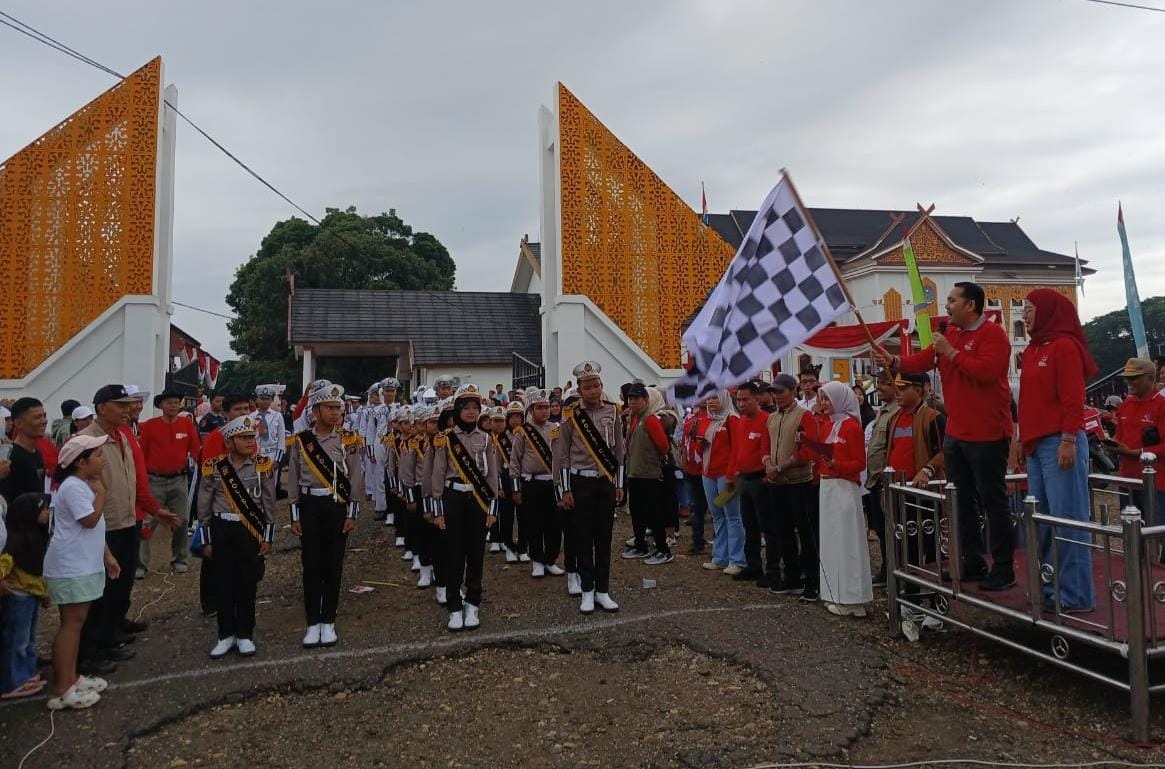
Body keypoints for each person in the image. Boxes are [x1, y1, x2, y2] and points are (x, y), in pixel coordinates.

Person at [874, 281, 1014, 590]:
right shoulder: (949, 335)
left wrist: (951, 353)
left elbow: (987, 373)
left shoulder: (993, 335)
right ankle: (973, 561)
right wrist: (895, 361)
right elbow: (923, 360)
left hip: (988, 431)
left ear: (971, 306)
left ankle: (1004, 568)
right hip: (957, 431)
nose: (946, 305)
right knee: (961, 500)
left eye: (951, 300)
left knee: (993, 500)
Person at [1018, 289, 1097, 612]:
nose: (1023, 315)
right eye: (1023, 309)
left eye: (1029, 309)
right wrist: (1021, 441)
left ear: (1049, 311)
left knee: (1068, 517)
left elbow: (1072, 398)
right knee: (1044, 519)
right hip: (1037, 444)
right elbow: (1026, 402)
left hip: (1059, 441)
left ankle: (1075, 593)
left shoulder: (1065, 347)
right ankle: (1050, 586)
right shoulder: (1034, 348)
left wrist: (1068, 439)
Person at [43, 434, 120, 710]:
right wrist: (102, 494)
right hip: (71, 565)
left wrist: (107, 556)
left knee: (76, 624)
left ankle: (72, 678)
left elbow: (94, 529)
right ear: (81, 462)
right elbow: (89, 520)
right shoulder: (74, 487)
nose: (102, 460)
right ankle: (62, 688)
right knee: (71, 626)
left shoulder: (81, 484)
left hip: (83, 563)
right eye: (97, 456)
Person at [288, 383, 363, 648]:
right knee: (311, 565)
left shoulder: (348, 439)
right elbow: (294, 480)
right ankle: (312, 622)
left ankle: (328, 620)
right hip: (309, 506)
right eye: (329, 408)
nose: (335, 413)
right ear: (316, 410)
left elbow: (354, 477)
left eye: (338, 408)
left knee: (333, 564)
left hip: (336, 506)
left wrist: (352, 512)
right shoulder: (301, 441)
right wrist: (294, 516)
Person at [197, 415, 276, 659]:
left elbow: (268, 502)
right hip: (222, 530)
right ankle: (225, 635)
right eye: (243, 438)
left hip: (248, 531)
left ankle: (244, 635)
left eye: (251, 437)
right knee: (223, 583)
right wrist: (206, 539)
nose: (250, 442)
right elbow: (204, 505)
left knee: (247, 584)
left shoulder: (262, 465)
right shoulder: (215, 466)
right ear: (229, 442)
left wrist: (267, 537)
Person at [552, 362, 625, 613]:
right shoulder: (570, 415)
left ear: (602, 387)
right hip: (579, 481)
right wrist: (565, 489)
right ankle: (587, 590)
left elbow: (619, 451)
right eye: (587, 387)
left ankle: (603, 590)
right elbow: (562, 455)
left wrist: (619, 483)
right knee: (582, 537)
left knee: (604, 537)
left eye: (596, 385)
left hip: (605, 481)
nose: (592, 391)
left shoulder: (613, 411)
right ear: (579, 389)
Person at [430, 385, 499, 631]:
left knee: (476, 553)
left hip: (478, 499)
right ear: (457, 410)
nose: (471, 412)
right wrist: (437, 510)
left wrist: (492, 510)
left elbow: (492, 477)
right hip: (453, 498)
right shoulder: (446, 439)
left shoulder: (486, 438)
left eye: (475, 408)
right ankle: (454, 606)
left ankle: (473, 602)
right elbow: (437, 476)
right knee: (453, 553)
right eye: (466, 408)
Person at [802, 381, 872, 617]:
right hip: (828, 486)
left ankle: (852, 597)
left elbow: (860, 463)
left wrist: (837, 465)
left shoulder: (852, 427)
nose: (822, 404)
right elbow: (820, 452)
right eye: (821, 399)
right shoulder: (829, 424)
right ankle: (836, 593)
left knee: (847, 541)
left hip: (844, 486)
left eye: (826, 399)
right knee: (832, 541)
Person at [763, 373, 821, 598]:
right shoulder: (772, 418)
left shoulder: (804, 416)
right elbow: (764, 446)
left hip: (799, 482)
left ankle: (812, 579)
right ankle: (792, 576)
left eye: (781, 391)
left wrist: (781, 467)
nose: (776, 396)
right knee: (783, 530)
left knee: (805, 532)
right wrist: (769, 464)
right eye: (774, 392)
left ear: (792, 391)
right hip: (777, 482)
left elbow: (808, 451)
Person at [138, 389, 202, 575]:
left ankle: (180, 559)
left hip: (179, 480)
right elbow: (142, 453)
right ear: (161, 405)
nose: (173, 405)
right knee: (147, 522)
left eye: (176, 402)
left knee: (181, 520)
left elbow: (197, 450)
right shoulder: (150, 426)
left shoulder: (187, 425)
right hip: (154, 480)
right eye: (169, 402)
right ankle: (140, 565)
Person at [0, 493, 51, 699]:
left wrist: (43, 593)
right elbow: (5, 561)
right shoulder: (18, 539)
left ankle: (27, 672)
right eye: (42, 510)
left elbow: (37, 571)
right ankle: (14, 681)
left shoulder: (35, 535)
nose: (47, 513)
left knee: (29, 638)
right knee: (16, 640)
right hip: (18, 594)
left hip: (31, 593)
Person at [510, 389, 564, 579]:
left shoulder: (556, 428)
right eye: (540, 408)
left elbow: (562, 457)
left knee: (554, 524)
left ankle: (551, 559)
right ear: (532, 409)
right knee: (533, 524)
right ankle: (537, 561)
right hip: (531, 484)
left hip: (552, 484)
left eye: (547, 407)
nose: (545, 411)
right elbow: (515, 461)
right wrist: (516, 489)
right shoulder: (522, 432)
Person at [1110, 359, 1165, 530]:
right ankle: (1138, 557)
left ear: (1150, 378)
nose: (1129, 382)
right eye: (1127, 377)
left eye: (1134, 378)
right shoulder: (1126, 405)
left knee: (1158, 532)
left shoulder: (1161, 405)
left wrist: (1136, 452)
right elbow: (1119, 437)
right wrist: (1112, 445)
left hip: (1157, 483)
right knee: (1131, 534)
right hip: (1128, 480)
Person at [726, 382, 772, 586]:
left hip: (760, 478)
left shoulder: (767, 420)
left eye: (745, 399)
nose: (741, 404)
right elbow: (736, 450)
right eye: (738, 400)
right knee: (749, 525)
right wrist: (733, 473)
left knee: (767, 527)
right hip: (744, 479)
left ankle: (771, 569)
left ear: (757, 399)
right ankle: (753, 565)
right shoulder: (741, 422)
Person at [622, 383, 673, 564]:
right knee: (637, 512)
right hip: (635, 472)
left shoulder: (650, 419)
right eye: (630, 398)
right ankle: (640, 544)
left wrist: (652, 460)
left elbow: (663, 446)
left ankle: (663, 549)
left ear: (646, 400)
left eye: (636, 398)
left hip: (649, 474)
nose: (632, 402)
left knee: (653, 513)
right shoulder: (634, 418)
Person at [864, 370, 901, 585]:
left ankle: (895, 572)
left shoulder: (899, 412)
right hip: (875, 479)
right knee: (881, 529)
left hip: (888, 479)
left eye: (884, 383)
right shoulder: (884, 411)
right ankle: (887, 569)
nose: (878, 387)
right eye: (878, 383)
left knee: (892, 529)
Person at [0, 398, 49, 504]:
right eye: (37, 417)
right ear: (18, 423)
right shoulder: (10, 458)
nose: (44, 421)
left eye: (44, 416)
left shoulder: (37, 454)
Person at [679, 399, 709, 556]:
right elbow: (684, 443)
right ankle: (698, 541)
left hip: (709, 471)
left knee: (718, 507)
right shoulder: (689, 419)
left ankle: (720, 543)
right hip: (692, 470)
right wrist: (684, 463)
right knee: (696, 507)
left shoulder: (715, 419)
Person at [251, 384, 287, 498]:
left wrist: (277, 460)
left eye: (268, 399)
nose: (265, 402)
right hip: (257, 454)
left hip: (272, 454)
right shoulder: (251, 417)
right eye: (262, 398)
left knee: (270, 489)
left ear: (272, 400)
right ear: (257, 399)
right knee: (256, 487)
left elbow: (281, 440)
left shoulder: (277, 416)